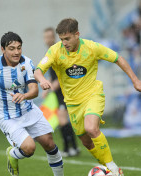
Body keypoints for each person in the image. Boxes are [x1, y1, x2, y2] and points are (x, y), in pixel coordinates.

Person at [34, 18, 141, 176]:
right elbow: (38, 70)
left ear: (77, 35)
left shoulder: (91, 47)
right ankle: (109, 168)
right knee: (86, 141)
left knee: (91, 128)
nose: (64, 43)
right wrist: (42, 80)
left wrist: (135, 80)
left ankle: (113, 169)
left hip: (92, 95)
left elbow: (118, 58)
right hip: (72, 103)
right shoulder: (55, 51)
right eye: (61, 39)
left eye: (67, 39)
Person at [0, 32, 64, 176]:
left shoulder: (26, 63)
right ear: (3, 49)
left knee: (50, 144)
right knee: (29, 148)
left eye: (19, 48)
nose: (16, 52)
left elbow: (34, 90)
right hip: (7, 116)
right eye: (12, 48)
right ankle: (13, 154)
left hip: (28, 110)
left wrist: (25, 95)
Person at [42, 27, 79, 157]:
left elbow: (62, 74)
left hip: (64, 91)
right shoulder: (50, 52)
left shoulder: (59, 51)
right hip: (58, 92)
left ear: (54, 37)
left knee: (63, 120)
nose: (48, 39)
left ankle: (69, 149)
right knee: (63, 120)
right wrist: (48, 85)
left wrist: (51, 87)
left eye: (50, 36)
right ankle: (73, 148)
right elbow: (54, 75)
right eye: (46, 37)